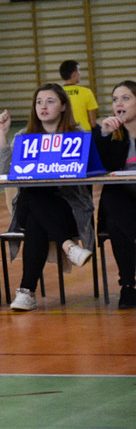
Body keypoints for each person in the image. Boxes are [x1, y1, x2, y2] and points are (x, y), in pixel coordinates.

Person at [0, 83, 95, 312]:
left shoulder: (77, 134)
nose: (43, 107)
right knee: (34, 193)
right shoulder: (25, 136)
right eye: (39, 102)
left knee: (35, 218)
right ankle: (69, 247)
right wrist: (3, 133)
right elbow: (2, 169)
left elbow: (88, 170)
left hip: (67, 209)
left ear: (63, 106)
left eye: (50, 101)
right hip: (28, 205)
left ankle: (26, 292)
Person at [94, 80, 136, 309]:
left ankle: (128, 286)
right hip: (122, 200)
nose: (119, 104)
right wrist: (103, 134)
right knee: (113, 202)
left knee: (116, 223)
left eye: (126, 98)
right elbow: (95, 166)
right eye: (115, 99)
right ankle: (128, 286)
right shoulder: (109, 135)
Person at [60, 59, 98, 130]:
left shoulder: (58, 92)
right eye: (79, 71)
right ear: (74, 74)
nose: (80, 74)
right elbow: (93, 123)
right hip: (84, 132)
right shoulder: (86, 92)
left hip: (64, 132)